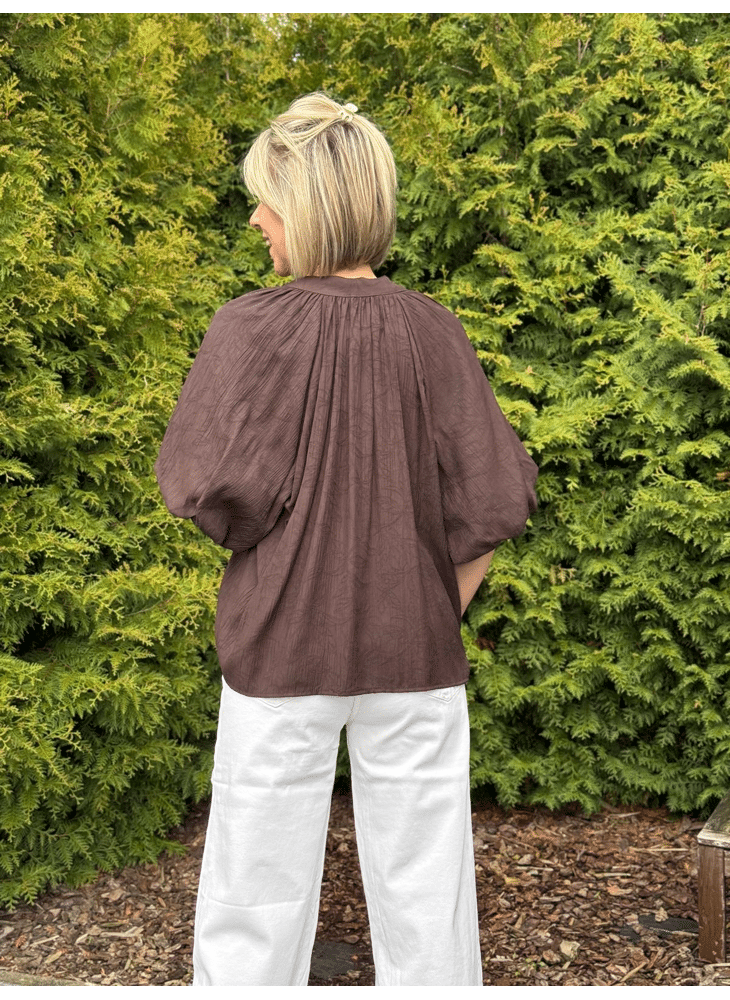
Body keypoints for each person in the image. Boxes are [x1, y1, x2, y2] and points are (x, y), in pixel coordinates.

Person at [154, 91, 538, 987]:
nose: (256, 219)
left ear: (308, 205)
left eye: (267, 200)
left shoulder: (249, 329)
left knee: (252, 902)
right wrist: (428, 609)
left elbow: (209, 490)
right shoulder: (436, 331)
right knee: (428, 900)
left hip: (279, 655)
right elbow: (493, 503)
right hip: (416, 659)